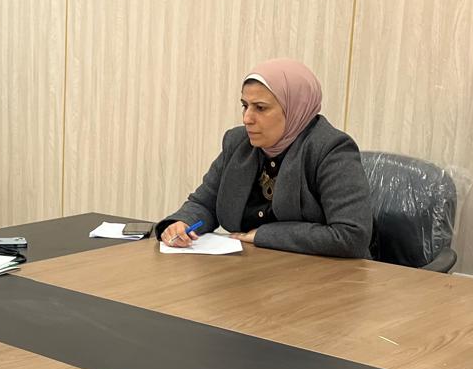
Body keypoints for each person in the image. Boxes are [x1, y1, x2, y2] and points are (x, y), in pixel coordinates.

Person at [156, 58, 372, 258]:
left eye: (260, 108)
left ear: (295, 108)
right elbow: (204, 203)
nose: (247, 118)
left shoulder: (331, 149)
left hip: (326, 276)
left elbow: (351, 235)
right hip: (255, 269)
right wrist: (181, 223)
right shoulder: (238, 143)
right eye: (245, 106)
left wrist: (264, 235)